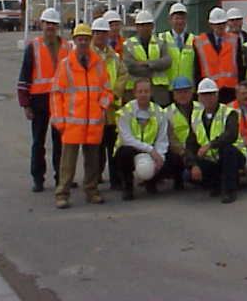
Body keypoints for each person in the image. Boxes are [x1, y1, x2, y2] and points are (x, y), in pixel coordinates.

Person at [51, 23, 112, 208]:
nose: (83, 42)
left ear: (90, 40)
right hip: (72, 122)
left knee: (92, 162)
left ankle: (91, 191)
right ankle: (62, 194)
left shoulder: (99, 64)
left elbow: (107, 90)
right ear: (75, 40)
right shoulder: (66, 65)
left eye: (86, 39)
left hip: (93, 122)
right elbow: (56, 93)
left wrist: (101, 107)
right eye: (80, 39)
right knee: (67, 163)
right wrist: (59, 120)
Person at [16, 6, 70, 192]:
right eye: (47, 23)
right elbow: (24, 75)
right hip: (39, 100)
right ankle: (38, 178)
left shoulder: (67, 47)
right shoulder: (33, 46)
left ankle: (61, 177)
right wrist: (25, 104)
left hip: (60, 101)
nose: (50, 27)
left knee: (60, 143)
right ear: (41, 24)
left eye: (53, 24)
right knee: (38, 141)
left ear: (57, 26)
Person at [186, 78, 246, 204]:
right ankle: (217, 184)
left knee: (227, 150)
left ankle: (229, 190)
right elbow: (190, 143)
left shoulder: (229, 112)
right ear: (199, 97)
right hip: (212, 159)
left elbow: (231, 135)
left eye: (211, 94)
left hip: (234, 156)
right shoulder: (196, 116)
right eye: (204, 95)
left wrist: (211, 145)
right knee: (187, 175)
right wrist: (194, 165)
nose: (208, 98)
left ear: (217, 95)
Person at [114, 78, 173, 200]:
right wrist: (150, 150)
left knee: (172, 158)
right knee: (123, 153)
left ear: (151, 93)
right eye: (140, 91)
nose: (143, 94)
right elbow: (127, 139)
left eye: (146, 91)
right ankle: (128, 187)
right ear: (134, 93)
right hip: (131, 149)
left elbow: (162, 139)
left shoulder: (159, 112)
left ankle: (151, 181)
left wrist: (159, 158)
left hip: (152, 150)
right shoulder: (125, 112)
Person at [92, 16, 127, 189]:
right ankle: (95, 177)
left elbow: (122, 74)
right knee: (96, 148)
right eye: (98, 33)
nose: (101, 37)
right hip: (95, 108)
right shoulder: (88, 55)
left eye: (104, 33)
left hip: (112, 108)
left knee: (114, 146)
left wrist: (114, 95)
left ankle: (116, 179)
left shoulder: (113, 55)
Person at [122, 10, 172, 107]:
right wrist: (154, 68)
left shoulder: (161, 42)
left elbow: (167, 61)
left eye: (147, 25)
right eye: (141, 25)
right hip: (136, 91)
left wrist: (147, 63)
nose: (144, 28)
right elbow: (129, 66)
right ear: (136, 27)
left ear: (152, 26)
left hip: (158, 91)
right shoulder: (128, 44)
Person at [194, 7, 241, 103]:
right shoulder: (200, 41)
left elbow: (240, 65)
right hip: (209, 88)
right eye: (217, 24)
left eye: (222, 24)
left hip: (230, 88)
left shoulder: (235, 40)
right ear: (211, 25)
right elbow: (197, 68)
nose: (220, 26)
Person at [163, 76, 195, 190]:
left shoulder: (200, 108)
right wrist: (183, 152)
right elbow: (169, 138)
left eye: (186, 92)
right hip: (178, 152)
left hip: (197, 149)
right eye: (179, 92)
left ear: (191, 92)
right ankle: (177, 179)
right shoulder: (166, 112)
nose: (183, 95)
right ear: (174, 94)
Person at [160, 2, 197, 91]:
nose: (180, 21)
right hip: (169, 87)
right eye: (176, 18)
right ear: (170, 20)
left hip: (188, 88)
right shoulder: (161, 39)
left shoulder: (195, 40)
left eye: (182, 18)